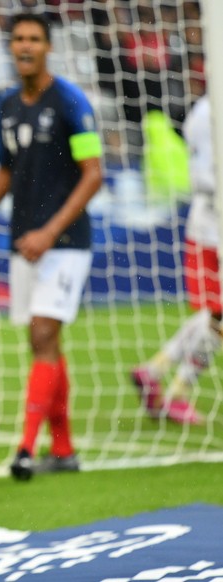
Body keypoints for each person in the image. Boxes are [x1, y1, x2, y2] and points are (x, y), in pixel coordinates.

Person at [0, 12, 103, 482]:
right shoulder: (7, 105)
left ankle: (24, 448)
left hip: (65, 241)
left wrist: (50, 232)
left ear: (48, 47)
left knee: (41, 335)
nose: (26, 46)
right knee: (45, 342)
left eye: (34, 38)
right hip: (23, 240)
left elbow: (94, 173)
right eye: (18, 39)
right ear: (11, 47)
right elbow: (5, 171)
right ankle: (64, 449)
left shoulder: (71, 101)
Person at [132, 94, 217, 425]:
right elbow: (203, 177)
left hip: (205, 227)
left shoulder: (202, 109)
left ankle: (155, 371)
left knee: (216, 315)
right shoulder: (210, 112)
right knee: (218, 317)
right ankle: (174, 389)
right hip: (213, 230)